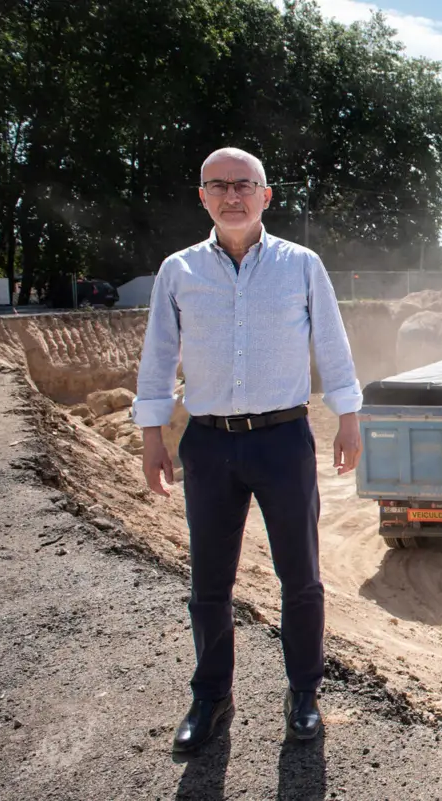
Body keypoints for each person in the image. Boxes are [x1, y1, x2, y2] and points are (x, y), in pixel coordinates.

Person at [131, 147, 363, 754]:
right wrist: (154, 436)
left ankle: (304, 693)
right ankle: (211, 697)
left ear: (266, 196)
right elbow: (157, 356)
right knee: (208, 582)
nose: (232, 196)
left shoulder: (301, 265)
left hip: (285, 440)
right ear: (202, 196)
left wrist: (349, 418)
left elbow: (332, 343)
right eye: (219, 186)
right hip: (206, 445)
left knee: (302, 578)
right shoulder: (177, 271)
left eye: (244, 185)